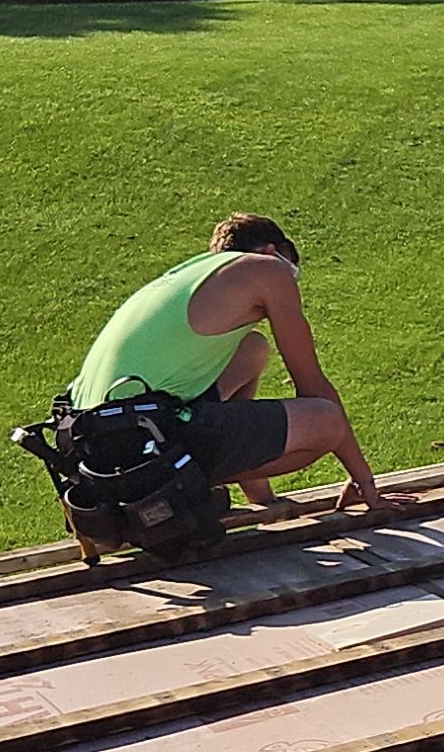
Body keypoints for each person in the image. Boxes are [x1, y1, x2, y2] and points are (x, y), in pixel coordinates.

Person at [68, 214, 411, 525]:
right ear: (272, 250)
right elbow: (313, 386)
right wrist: (364, 483)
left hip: (93, 443)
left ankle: (257, 495)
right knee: (326, 420)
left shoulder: (190, 275)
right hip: (139, 443)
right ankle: (184, 481)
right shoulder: (269, 270)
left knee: (252, 349)